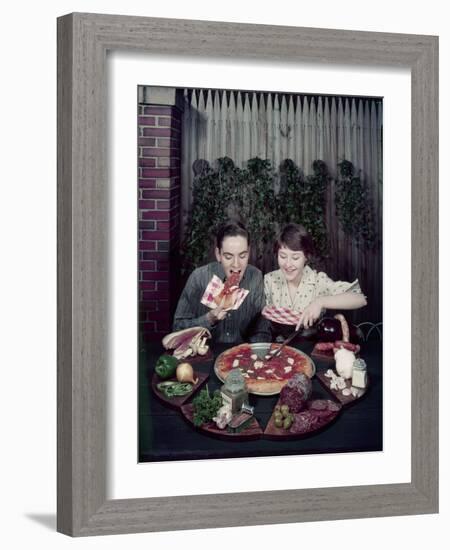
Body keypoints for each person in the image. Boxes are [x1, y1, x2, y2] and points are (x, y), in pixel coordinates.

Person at [173, 221, 270, 343]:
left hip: (241, 355)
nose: (236, 264)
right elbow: (177, 329)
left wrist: (250, 354)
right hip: (205, 355)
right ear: (218, 254)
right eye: (228, 257)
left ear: (249, 252)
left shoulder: (256, 277)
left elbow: (261, 331)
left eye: (242, 255)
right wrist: (208, 319)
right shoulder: (198, 278)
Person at [264, 223, 367, 332]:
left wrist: (320, 302)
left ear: (306, 257)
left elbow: (360, 298)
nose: (288, 264)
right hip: (278, 346)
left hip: (312, 345)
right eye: (283, 256)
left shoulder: (318, 281)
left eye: (295, 258)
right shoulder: (270, 280)